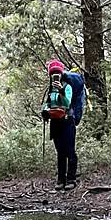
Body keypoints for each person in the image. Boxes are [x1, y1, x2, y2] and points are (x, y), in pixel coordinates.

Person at [41, 59, 78, 191]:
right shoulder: (50, 90)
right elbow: (47, 104)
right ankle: (60, 180)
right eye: (53, 74)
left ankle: (71, 179)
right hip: (55, 122)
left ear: (62, 74)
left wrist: (61, 91)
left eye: (57, 73)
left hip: (67, 121)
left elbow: (67, 103)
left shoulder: (67, 87)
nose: (55, 76)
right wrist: (45, 111)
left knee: (70, 150)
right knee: (60, 152)